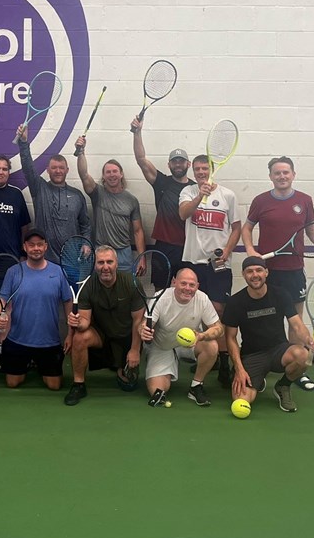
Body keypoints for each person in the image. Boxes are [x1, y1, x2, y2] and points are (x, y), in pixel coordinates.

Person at [241, 156, 314, 390]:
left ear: (293, 174)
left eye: (286, 172)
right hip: (267, 272)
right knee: (264, 320)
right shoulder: (261, 201)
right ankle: (260, 366)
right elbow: (247, 227)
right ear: (270, 176)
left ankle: (297, 370)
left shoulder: (304, 200)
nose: (282, 176)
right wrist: (251, 250)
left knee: (295, 322)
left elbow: (311, 228)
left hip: (294, 271)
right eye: (277, 173)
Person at [222, 256, 314, 413]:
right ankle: (257, 381)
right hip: (252, 356)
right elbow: (230, 338)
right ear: (243, 275)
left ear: (266, 272)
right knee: (241, 399)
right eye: (249, 271)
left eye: (259, 270)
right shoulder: (235, 302)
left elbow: (297, 325)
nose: (255, 275)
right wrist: (239, 369)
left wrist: (309, 340)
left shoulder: (281, 294)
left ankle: (283, 386)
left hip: (279, 350)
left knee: (303, 355)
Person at [178, 153, 241, 387]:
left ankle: (225, 363)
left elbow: (236, 228)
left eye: (205, 169)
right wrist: (200, 196)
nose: (201, 173)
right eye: (197, 170)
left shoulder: (228, 195)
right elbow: (183, 214)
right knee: (202, 311)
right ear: (193, 171)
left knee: (218, 311)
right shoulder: (188, 192)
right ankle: (212, 355)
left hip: (218, 264)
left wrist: (227, 249)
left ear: (212, 169)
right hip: (193, 263)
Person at [63, 244, 144, 406]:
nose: (105, 267)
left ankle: (121, 365)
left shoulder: (132, 283)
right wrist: (77, 323)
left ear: (117, 264)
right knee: (80, 337)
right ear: (95, 265)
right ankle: (78, 384)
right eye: (100, 263)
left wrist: (135, 350)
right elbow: (85, 322)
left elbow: (138, 321)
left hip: (126, 338)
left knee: (128, 385)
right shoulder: (87, 286)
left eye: (109, 262)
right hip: (101, 336)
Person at [0, 230, 72, 391]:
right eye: (31, 245)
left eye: (39, 244)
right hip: (17, 340)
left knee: (54, 386)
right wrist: (0, 314)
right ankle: (28, 362)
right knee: (13, 383)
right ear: (25, 247)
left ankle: (39, 363)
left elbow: (67, 300)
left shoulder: (58, 272)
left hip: (49, 342)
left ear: (45, 247)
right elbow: (2, 299)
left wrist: (70, 333)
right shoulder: (13, 272)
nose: (35, 248)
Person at [139, 267, 224, 407]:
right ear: (174, 282)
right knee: (158, 391)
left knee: (212, 345)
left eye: (192, 285)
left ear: (197, 286)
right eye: (183, 283)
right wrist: (143, 330)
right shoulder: (160, 298)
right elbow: (144, 324)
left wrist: (201, 336)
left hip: (189, 345)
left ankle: (196, 386)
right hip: (162, 347)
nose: (187, 288)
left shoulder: (202, 298)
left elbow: (219, 328)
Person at [16, 124, 91, 264]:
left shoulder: (77, 195)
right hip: (44, 261)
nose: (58, 171)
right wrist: (24, 143)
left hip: (72, 262)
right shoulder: (39, 188)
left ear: (67, 170)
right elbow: (28, 167)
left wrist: (86, 243)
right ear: (47, 170)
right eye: (54, 168)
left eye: (61, 168)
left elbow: (85, 225)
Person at [131, 114, 190, 286]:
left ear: (189, 164)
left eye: (181, 161)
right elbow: (141, 160)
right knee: (159, 292)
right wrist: (137, 133)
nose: (178, 164)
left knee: (186, 292)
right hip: (163, 247)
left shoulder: (196, 189)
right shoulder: (162, 182)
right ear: (169, 165)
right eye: (174, 162)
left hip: (188, 249)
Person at [74, 138, 145, 273]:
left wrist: (142, 257)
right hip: (101, 251)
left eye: (115, 171)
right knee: (101, 292)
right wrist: (81, 152)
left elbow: (138, 231)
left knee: (124, 291)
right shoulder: (97, 193)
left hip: (124, 254)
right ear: (104, 176)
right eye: (108, 172)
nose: (112, 175)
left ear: (121, 174)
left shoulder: (132, 200)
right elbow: (83, 174)